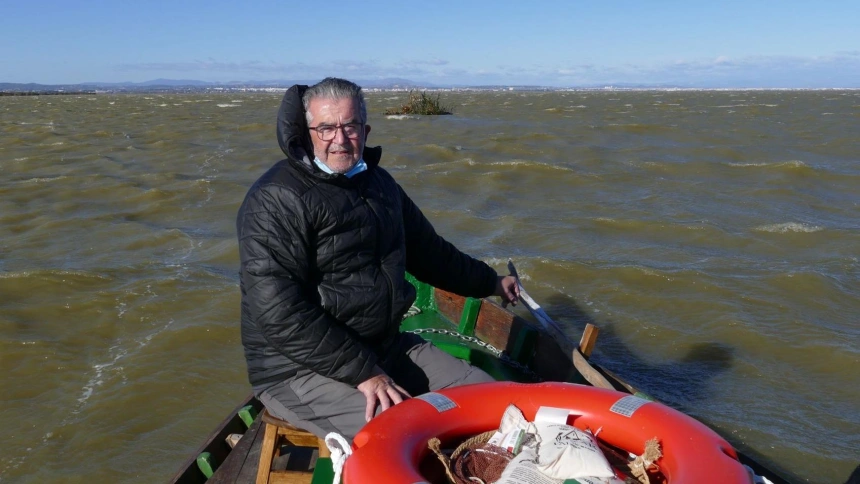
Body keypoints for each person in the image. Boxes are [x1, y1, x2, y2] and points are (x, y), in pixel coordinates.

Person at [237, 77, 519, 441]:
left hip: (385, 346)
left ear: (365, 130)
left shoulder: (380, 185)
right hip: (298, 369)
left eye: (350, 126)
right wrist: (364, 372)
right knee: (406, 434)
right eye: (326, 128)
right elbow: (278, 310)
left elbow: (431, 253)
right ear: (308, 133)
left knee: (494, 402)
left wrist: (491, 282)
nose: (339, 139)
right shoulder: (275, 199)